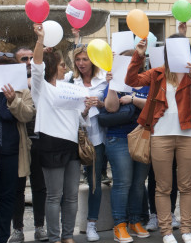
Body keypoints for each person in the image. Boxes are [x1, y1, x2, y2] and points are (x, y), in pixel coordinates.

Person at [125, 34, 191, 243]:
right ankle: (166, 231)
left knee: (187, 185)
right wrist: (138, 55)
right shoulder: (157, 73)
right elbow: (131, 81)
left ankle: (186, 230)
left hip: (188, 134)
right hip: (160, 134)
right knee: (163, 186)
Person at [31, 23, 85, 243]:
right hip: (50, 143)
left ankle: (67, 236)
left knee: (71, 196)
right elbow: (36, 65)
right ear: (53, 66)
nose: (66, 68)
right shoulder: (41, 88)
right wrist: (40, 40)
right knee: (54, 196)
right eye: (63, 64)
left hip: (71, 145)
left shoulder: (70, 87)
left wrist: (87, 106)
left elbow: (79, 117)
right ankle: (54, 237)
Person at [102, 50, 151, 242]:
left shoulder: (146, 81)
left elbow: (153, 106)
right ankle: (119, 225)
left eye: (135, 61)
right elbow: (111, 108)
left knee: (139, 184)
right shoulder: (116, 81)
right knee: (123, 184)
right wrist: (112, 85)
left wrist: (132, 99)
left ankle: (134, 221)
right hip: (119, 138)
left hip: (142, 137)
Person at [0, 54, 34, 243]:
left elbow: (27, 115)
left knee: (6, 199)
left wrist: (14, 100)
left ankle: (1, 239)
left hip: (10, 151)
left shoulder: (21, 89)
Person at [9, 47, 49, 243]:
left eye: (31, 58)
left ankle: (40, 226)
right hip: (17, 142)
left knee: (40, 187)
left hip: (40, 139)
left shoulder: (43, 80)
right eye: (23, 58)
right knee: (17, 187)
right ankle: (17, 228)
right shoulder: (7, 84)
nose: (28, 62)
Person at [71, 43, 108, 242]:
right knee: (70, 184)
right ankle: (66, 226)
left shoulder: (103, 81)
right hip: (75, 137)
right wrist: (83, 111)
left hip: (99, 138)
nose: (81, 63)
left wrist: (101, 104)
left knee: (94, 181)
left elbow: (111, 106)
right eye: (78, 59)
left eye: (85, 59)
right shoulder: (71, 80)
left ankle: (91, 223)